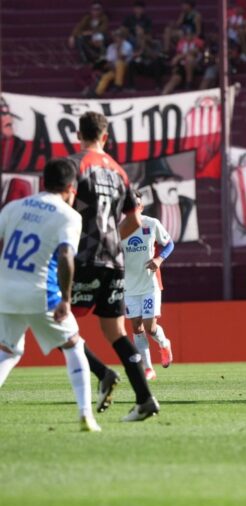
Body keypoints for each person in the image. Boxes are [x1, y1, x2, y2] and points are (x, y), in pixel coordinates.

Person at [69, 111, 160, 421]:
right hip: (114, 259)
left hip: (83, 257)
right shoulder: (119, 172)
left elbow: (64, 208)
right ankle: (145, 399)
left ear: (79, 135)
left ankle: (103, 373)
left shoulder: (76, 164)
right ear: (105, 137)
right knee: (115, 331)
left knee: (55, 322)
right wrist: (112, 238)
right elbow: (134, 219)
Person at [0, 158, 101, 432]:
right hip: (40, 293)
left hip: (6, 291)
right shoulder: (69, 216)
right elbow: (66, 256)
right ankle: (85, 415)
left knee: (7, 351)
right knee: (73, 345)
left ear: (43, 181)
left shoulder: (14, 207)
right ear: (71, 187)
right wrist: (66, 300)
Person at [121, 194, 175, 381]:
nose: (135, 208)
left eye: (137, 204)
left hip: (149, 283)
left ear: (141, 206)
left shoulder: (151, 224)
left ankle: (164, 343)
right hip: (129, 286)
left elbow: (169, 244)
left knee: (149, 327)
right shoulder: (118, 229)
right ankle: (148, 368)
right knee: (136, 327)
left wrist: (159, 259)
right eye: (130, 205)